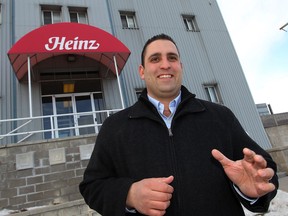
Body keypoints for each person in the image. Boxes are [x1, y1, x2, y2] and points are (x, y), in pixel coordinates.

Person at [79, 34, 278, 216]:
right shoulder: (114, 127)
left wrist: (253, 191)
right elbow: (92, 187)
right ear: (142, 71)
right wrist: (129, 194)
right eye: (155, 59)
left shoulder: (220, 117)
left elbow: (263, 171)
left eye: (172, 58)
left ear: (180, 66)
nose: (165, 65)